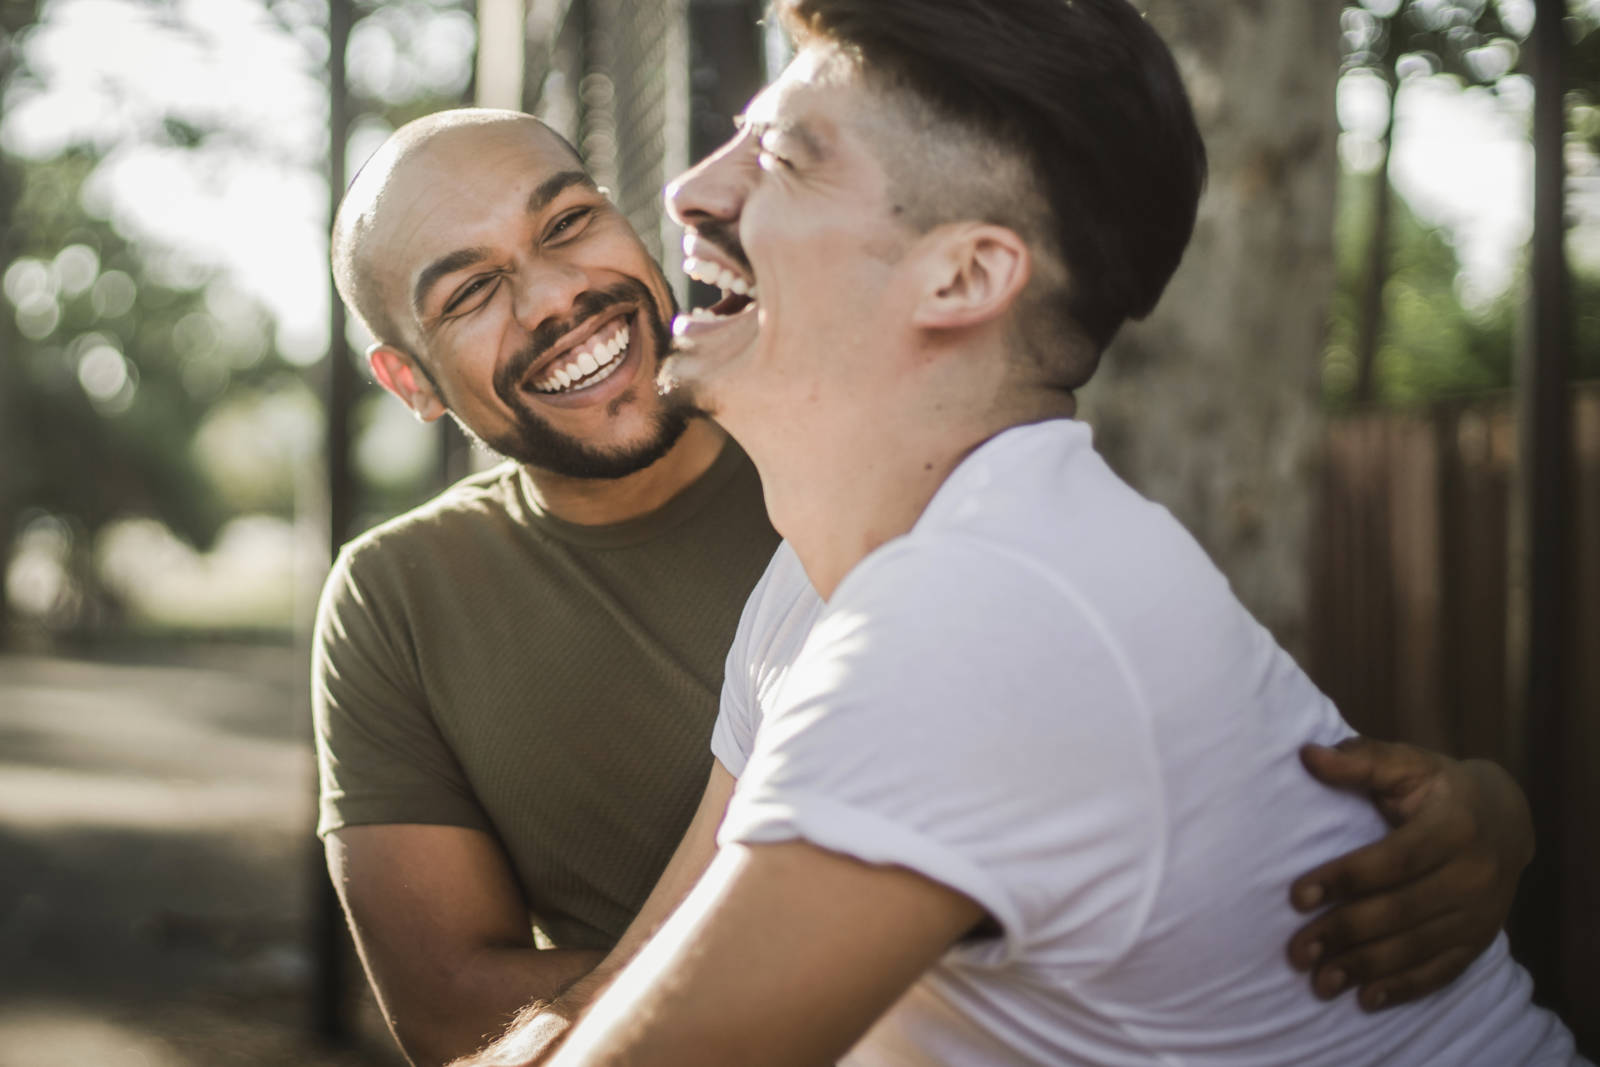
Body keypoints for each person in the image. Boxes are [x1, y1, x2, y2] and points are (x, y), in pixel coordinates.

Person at [477, 1, 1583, 1064]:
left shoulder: (975, 619)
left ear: (964, 275)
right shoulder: (831, 592)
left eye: (783, 158)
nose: (688, 190)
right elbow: (639, 977)